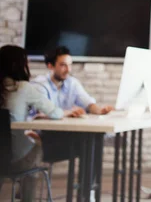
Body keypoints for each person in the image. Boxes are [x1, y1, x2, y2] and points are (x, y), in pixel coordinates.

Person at [0, 45, 81, 202]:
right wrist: (66, 112)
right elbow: (56, 113)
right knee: (37, 144)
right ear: (19, 65)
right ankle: (27, 198)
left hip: (1, 159)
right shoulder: (23, 88)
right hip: (15, 160)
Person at [31, 46, 114, 115]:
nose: (68, 70)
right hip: (43, 132)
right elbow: (43, 112)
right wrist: (69, 113)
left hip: (64, 131)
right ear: (50, 66)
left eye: (70, 65)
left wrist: (100, 110)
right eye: (63, 65)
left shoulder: (72, 83)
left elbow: (88, 104)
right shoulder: (40, 85)